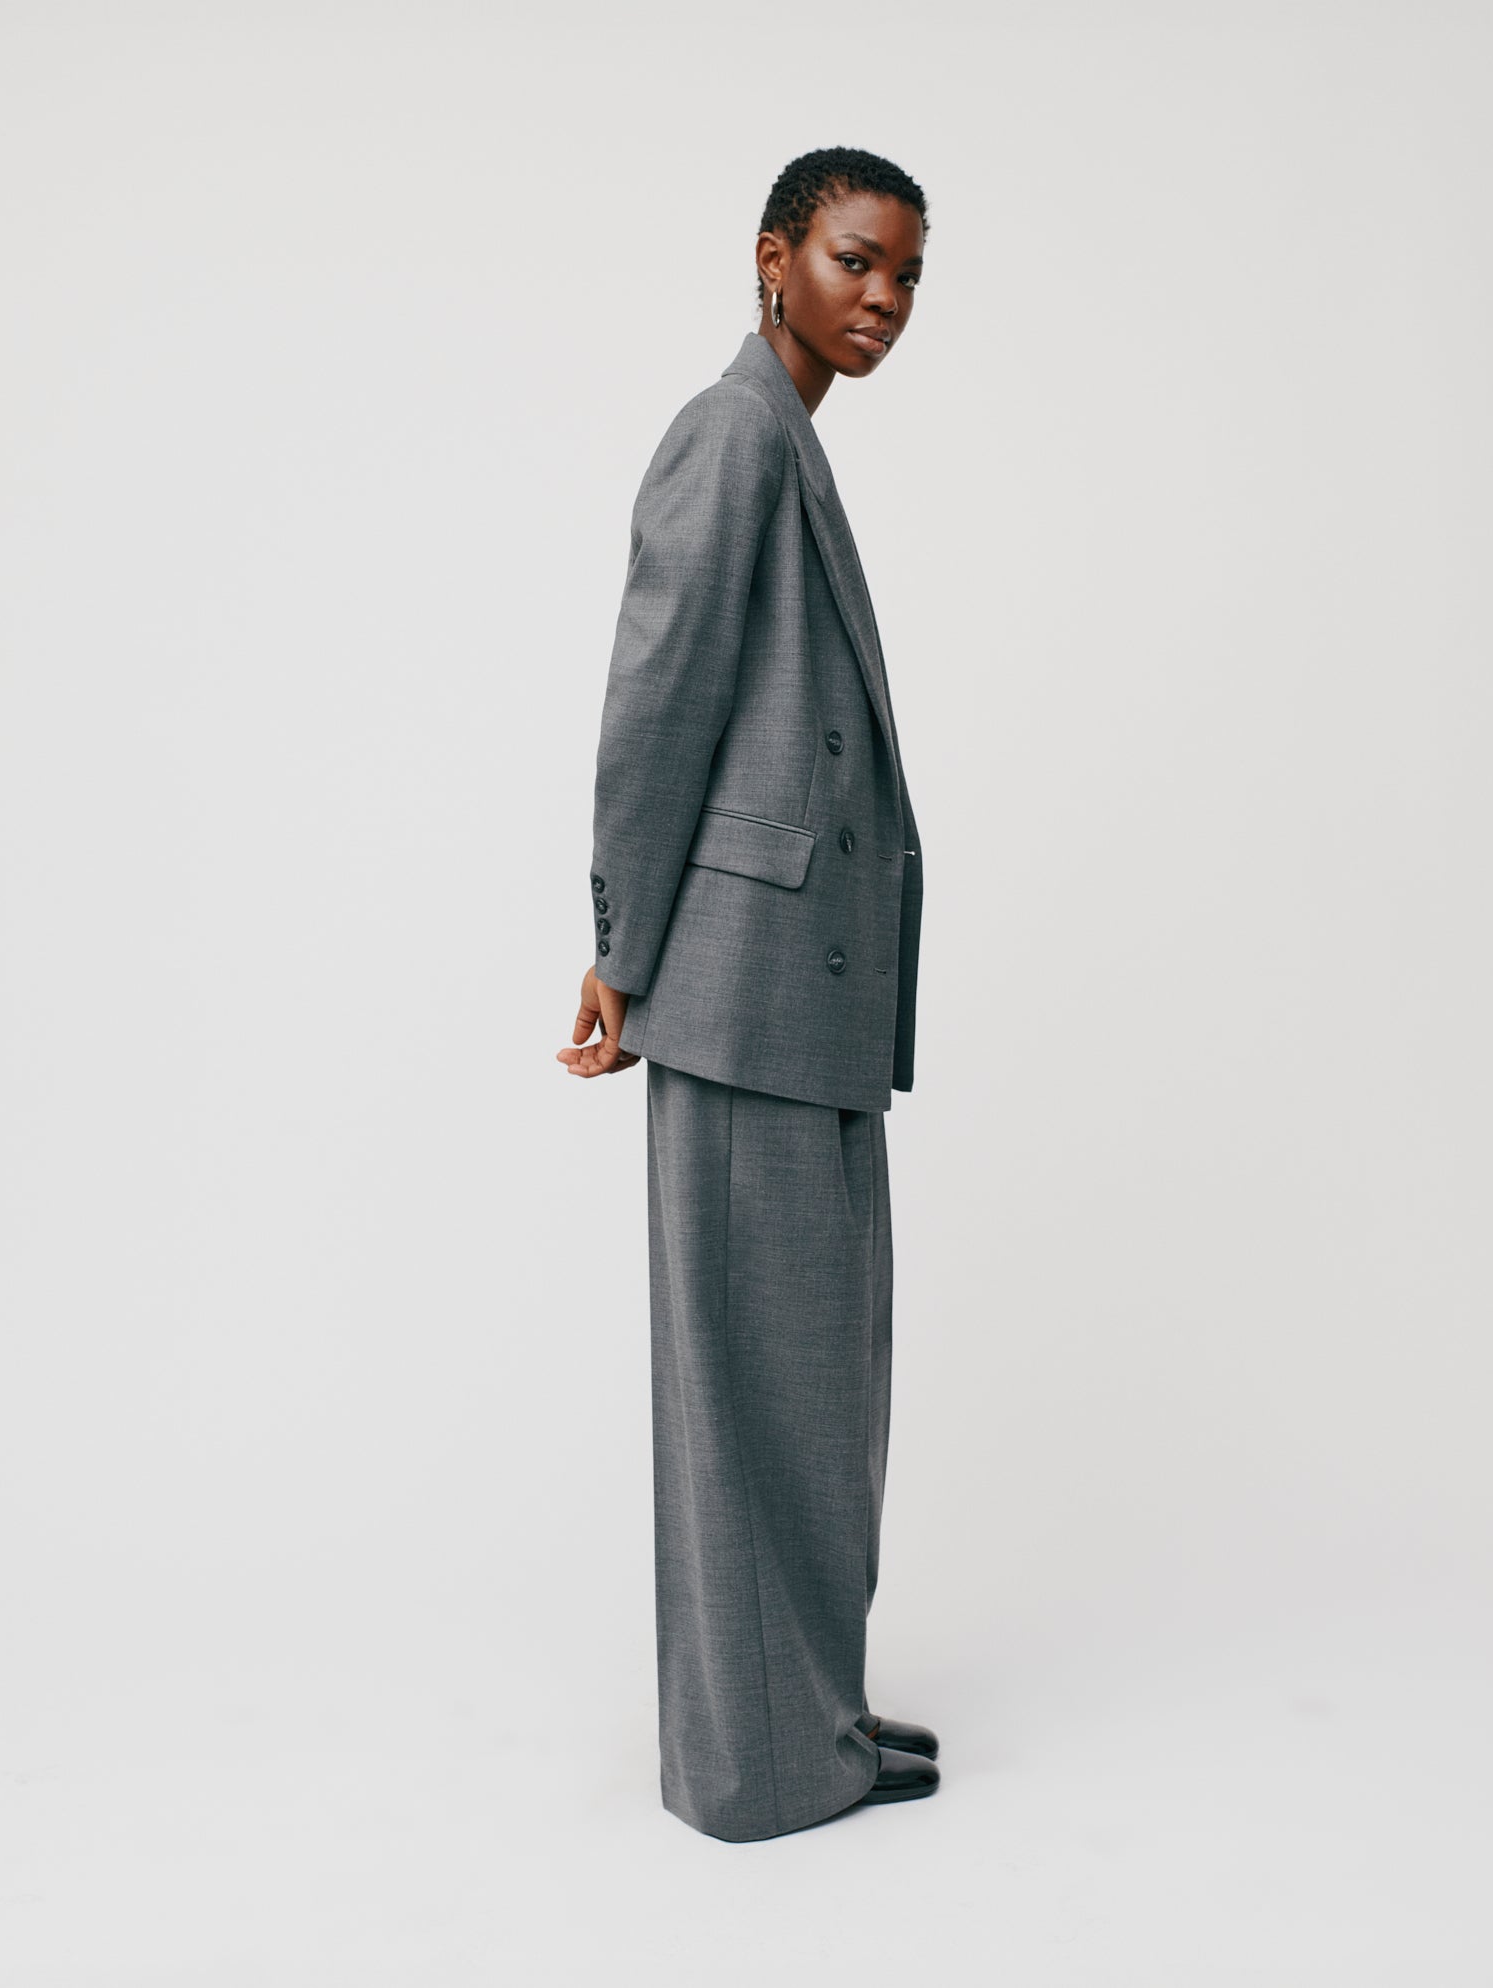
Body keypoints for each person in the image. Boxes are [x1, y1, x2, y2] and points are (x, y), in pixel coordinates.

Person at [558, 146, 937, 1843]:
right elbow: (657, 704)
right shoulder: (731, 437)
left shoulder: (790, 443)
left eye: (907, 277)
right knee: (749, 1398)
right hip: (735, 997)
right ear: (775, 256)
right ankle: (759, 1771)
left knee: (812, 1388)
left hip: (803, 1006)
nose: (883, 298)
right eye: (857, 261)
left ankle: (812, 1718)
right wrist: (622, 950)